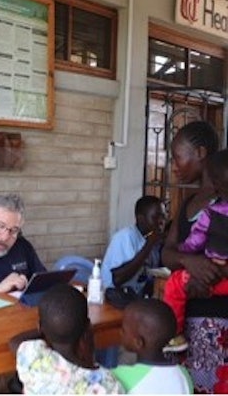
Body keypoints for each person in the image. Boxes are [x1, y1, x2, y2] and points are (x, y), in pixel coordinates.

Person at [161, 120, 221, 354]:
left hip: (220, 315)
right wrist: (189, 262)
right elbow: (166, 254)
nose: (174, 167)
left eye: (177, 157)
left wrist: (209, 274)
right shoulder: (187, 203)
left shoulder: (224, 201)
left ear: (200, 153)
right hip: (186, 317)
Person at [9, 283, 124, 394]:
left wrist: (48, 328)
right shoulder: (108, 385)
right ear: (88, 326)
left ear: (40, 327)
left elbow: (15, 342)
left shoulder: (33, 356)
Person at [112, 298, 194, 394]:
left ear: (138, 343)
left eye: (123, 330)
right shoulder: (184, 374)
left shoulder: (119, 376)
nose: (120, 333)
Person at [100, 195, 166, 297]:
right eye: (156, 217)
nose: (161, 221)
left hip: (135, 296)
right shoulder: (125, 237)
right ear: (140, 218)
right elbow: (117, 279)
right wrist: (148, 245)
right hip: (113, 297)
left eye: (163, 217)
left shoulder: (149, 239)